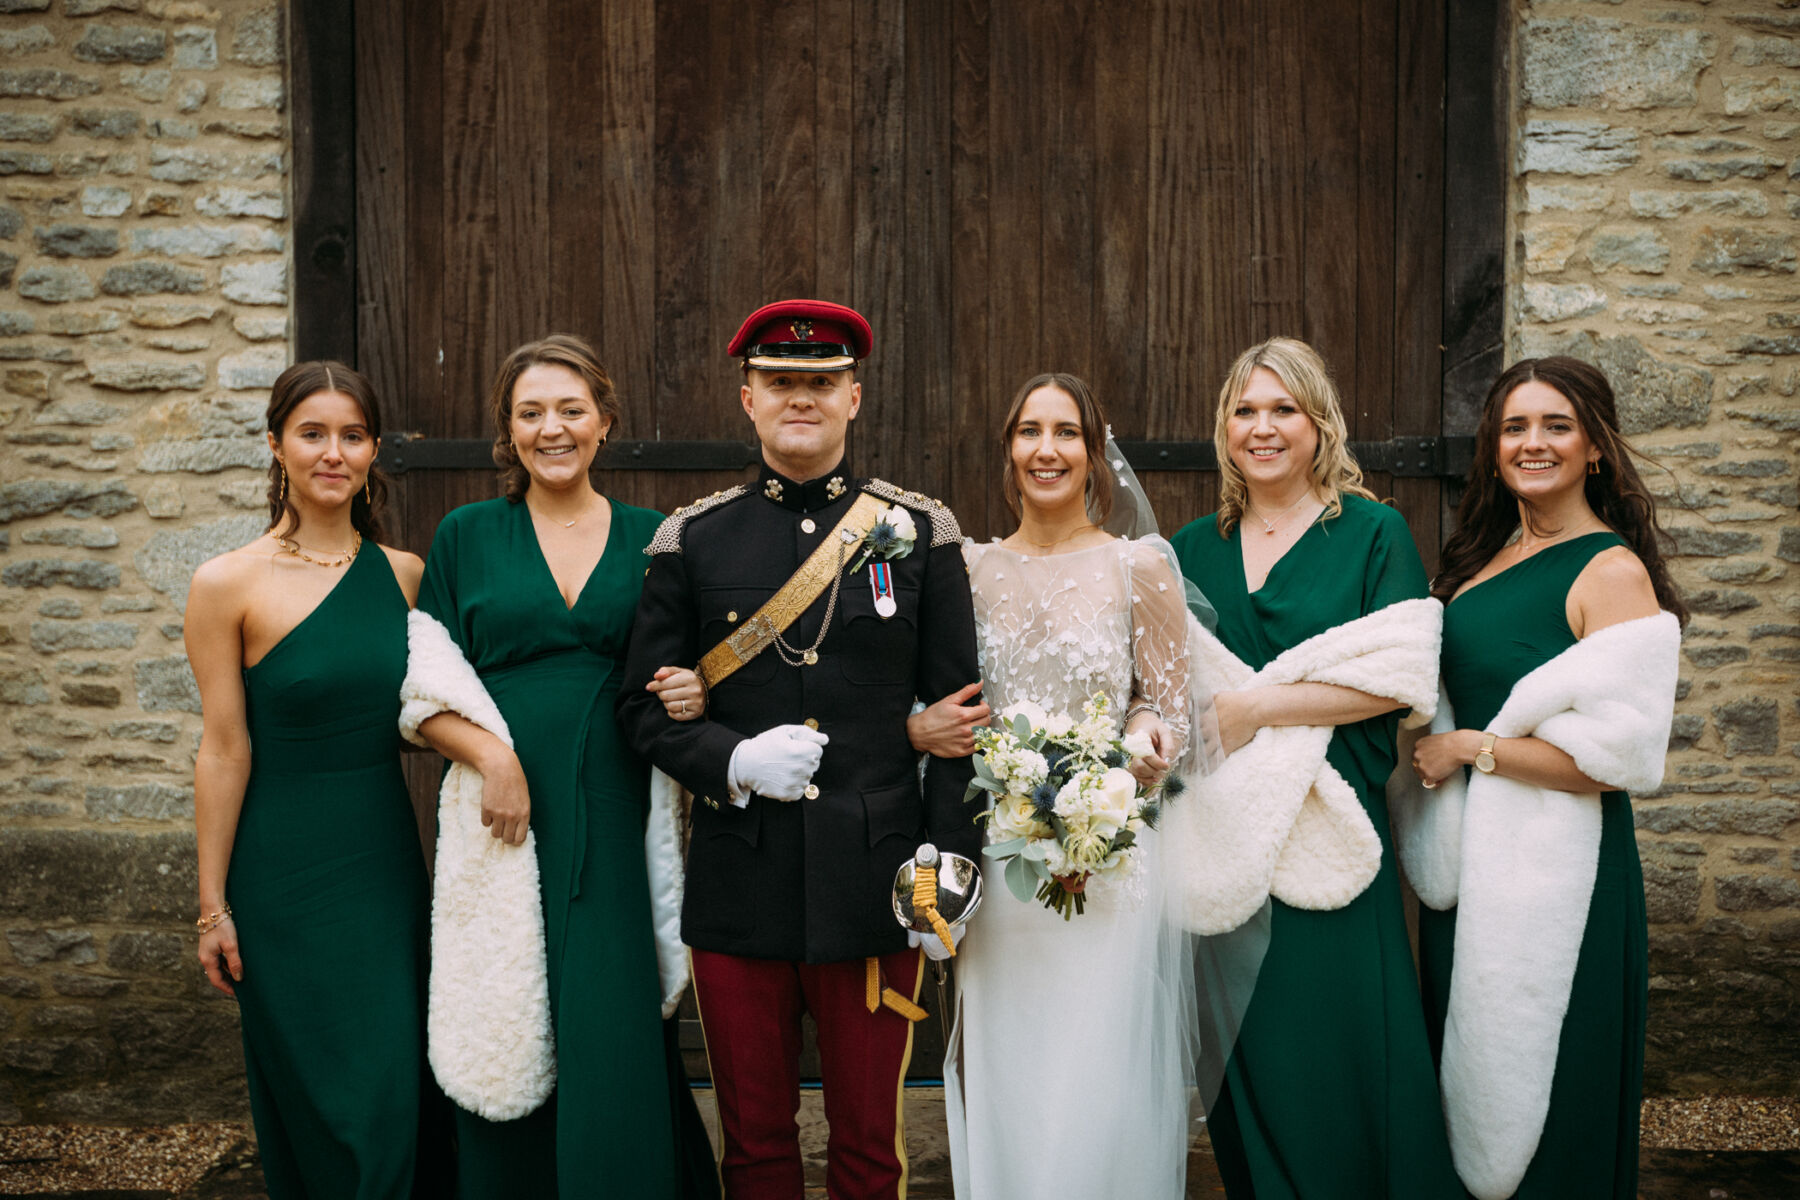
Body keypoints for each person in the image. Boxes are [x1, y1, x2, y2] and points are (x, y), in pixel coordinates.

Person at [617, 299, 981, 1200]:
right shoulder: (692, 538)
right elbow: (642, 709)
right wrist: (731, 761)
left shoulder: (919, 532)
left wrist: (948, 862)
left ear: (854, 397)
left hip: (879, 879)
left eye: (821, 383)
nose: (801, 398)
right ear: (748, 398)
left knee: (869, 1147)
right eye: (781, 382)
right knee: (755, 1146)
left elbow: (957, 714)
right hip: (741, 883)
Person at [409, 335, 712, 1198]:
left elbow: (680, 673)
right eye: (531, 413)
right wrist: (494, 759)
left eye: (571, 410)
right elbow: (422, 684)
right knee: (505, 1006)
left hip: (616, 803)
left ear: (604, 422)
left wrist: (690, 690)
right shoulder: (466, 535)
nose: (553, 429)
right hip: (500, 812)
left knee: (609, 1006)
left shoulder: (655, 539)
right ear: (508, 433)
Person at [1167, 337, 1463, 1198]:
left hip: (1335, 834)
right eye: (1246, 411)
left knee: (1344, 1055)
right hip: (1225, 843)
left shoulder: (1371, 532)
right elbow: (1168, 693)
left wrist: (1258, 708)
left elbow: (1397, 679)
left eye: (1283, 409)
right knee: (1247, 1060)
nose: (1263, 429)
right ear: (1225, 428)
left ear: (1318, 422)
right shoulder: (1191, 549)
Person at [914, 373, 1206, 1197]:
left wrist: (1149, 740)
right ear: (1009, 450)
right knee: (1009, 1062)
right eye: (1030, 432)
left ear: (1092, 452)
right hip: (998, 865)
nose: (1047, 449)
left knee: (1098, 1071)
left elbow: (1164, 706)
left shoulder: (1140, 566)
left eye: (1066, 433)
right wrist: (917, 727)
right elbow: (926, 700)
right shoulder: (963, 569)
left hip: (1103, 858)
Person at [1406, 356, 1684, 1200]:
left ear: (1595, 447)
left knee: (1556, 1103)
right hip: (1474, 876)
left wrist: (1467, 752)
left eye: (1556, 425)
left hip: (1560, 884)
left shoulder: (1610, 572)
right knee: (1474, 1096)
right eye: (1515, 427)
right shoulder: (1483, 559)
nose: (1534, 443)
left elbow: (1618, 761)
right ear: (1493, 449)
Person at [188, 361, 437, 1199]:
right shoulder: (226, 583)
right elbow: (223, 750)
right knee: (316, 1098)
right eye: (313, 433)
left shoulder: (406, 576)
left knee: (390, 1089)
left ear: (373, 453)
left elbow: (438, 709)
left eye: (353, 435)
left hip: (381, 862)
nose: (334, 453)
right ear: (276, 446)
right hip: (279, 873)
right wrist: (213, 905)